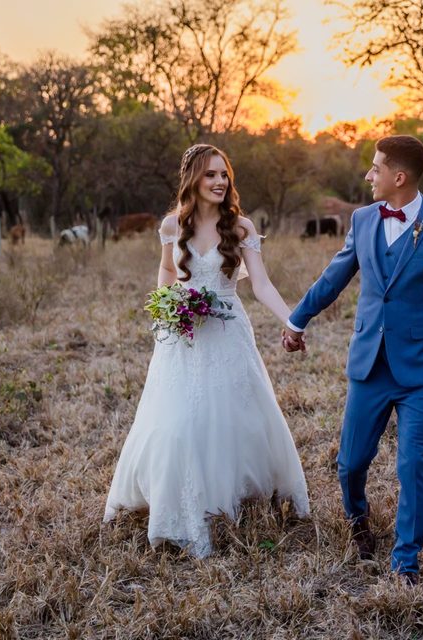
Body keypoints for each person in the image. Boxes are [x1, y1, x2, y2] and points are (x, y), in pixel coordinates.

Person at [282, 135, 423, 584]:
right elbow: (335, 275)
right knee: (350, 463)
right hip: (369, 365)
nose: (368, 175)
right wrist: (298, 320)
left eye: (375, 168)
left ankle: (405, 562)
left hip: (420, 373)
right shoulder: (363, 219)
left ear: (399, 177)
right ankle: (358, 521)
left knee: (413, 464)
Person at [104, 144, 310, 556]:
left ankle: (233, 499)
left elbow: (261, 285)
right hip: (182, 335)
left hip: (228, 332)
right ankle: (180, 502)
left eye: (224, 175)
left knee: (233, 415)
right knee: (179, 419)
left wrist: (292, 319)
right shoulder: (171, 225)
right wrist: (167, 305)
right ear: (193, 180)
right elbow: (166, 271)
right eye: (210, 175)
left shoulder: (242, 228)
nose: (220, 182)